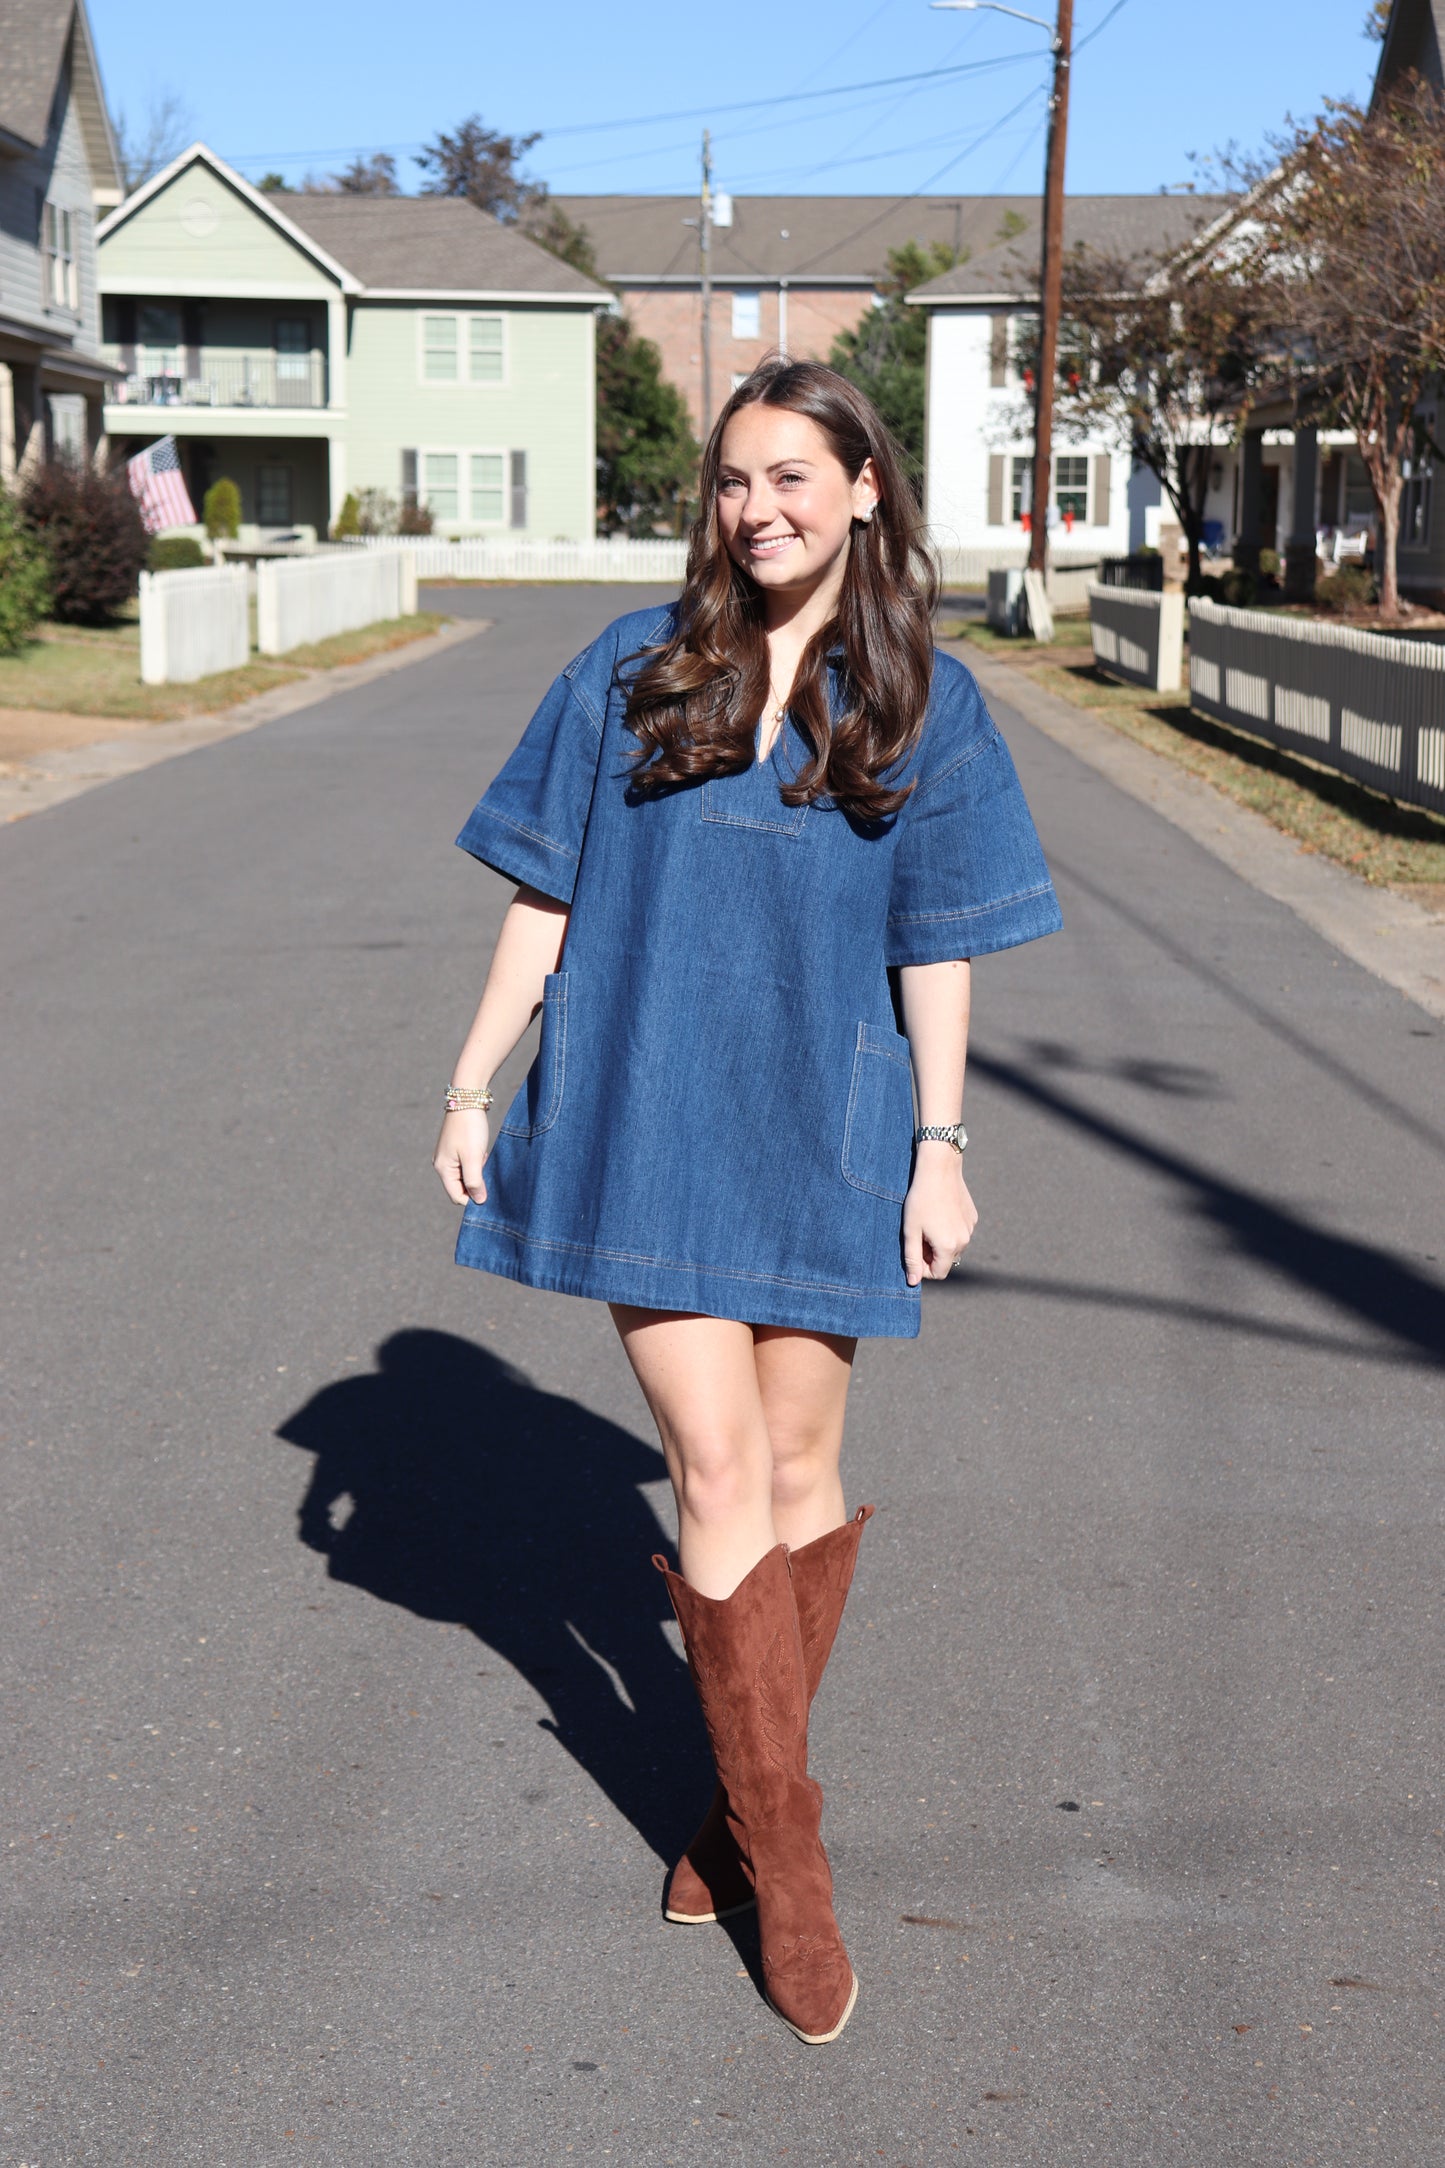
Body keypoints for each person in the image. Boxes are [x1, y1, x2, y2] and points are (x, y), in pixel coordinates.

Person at [433, 357, 1061, 2047]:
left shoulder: (927, 697)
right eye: (730, 479)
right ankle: (792, 1865)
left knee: (798, 1473)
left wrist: (940, 1144)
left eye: (791, 474)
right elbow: (540, 892)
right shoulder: (633, 669)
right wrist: (472, 1081)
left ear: (864, 486)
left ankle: (731, 1797)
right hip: (646, 1112)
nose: (756, 507)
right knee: (712, 1467)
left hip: (830, 1124)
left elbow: (935, 942)